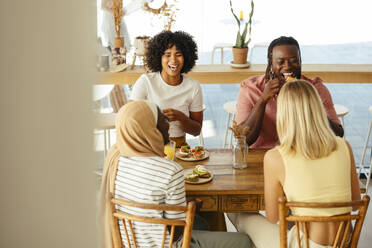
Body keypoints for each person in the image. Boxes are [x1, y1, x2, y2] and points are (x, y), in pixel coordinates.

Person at [99, 100, 253, 248]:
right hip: (169, 244)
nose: (169, 123)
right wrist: (192, 208)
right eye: (162, 120)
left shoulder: (116, 160)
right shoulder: (170, 171)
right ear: (149, 129)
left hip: (129, 242)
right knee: (244, 241)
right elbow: (177, 232)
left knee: (203, 224)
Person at [228, 80, 361, 247]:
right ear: (318, 109)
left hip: (302, 244)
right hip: (343, 242)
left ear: (284, 114)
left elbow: (273, 217)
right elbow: (356, 202)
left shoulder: (276, 157)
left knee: (236, 212)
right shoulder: (344, 146)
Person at [236, 36, 343, 149]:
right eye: (280, 62)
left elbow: (337, 135)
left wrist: (309, 102)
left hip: (303, 156)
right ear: (270, 63)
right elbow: (243, 140)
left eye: (293, 61)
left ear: (300, 61)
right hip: (262, 156)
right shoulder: (250, 88)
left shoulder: (316, 88)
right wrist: (263, 100)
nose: (287, 67)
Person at [129, 30, 203, 148]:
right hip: (149, 146)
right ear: (159, 57)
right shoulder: (146, 82)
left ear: (186, 57)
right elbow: (129, 118)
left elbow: (196, 131)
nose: (173, 60)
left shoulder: (193, 86)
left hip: (179, 148)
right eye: (167, 55)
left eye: (178, 54)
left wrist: (181, 117)